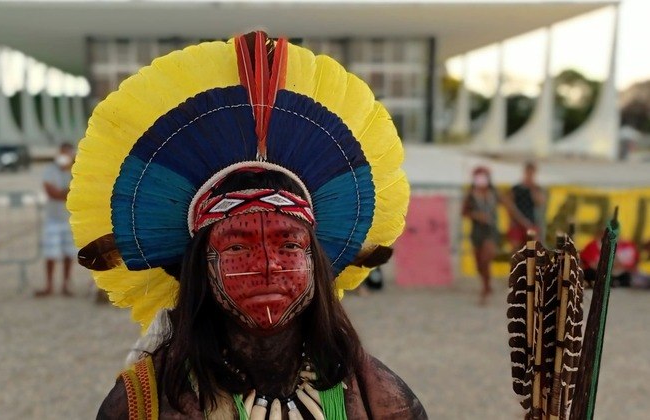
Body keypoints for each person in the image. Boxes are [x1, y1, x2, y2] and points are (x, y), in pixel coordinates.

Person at [69, 32, 427, 418]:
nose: (268, 266)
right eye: (237, 247)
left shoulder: (379, 398)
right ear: (201, 265)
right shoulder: (144, 404)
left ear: (316, 262)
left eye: (288, 245)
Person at [462, 166, 532, 305]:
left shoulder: (495, 193)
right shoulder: (471, 194)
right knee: (479, 264)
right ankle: (486, 285)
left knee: (486, 258)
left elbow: (510, 208)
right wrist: (476, 215)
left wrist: (524, 222)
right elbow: (464, 212)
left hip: (491, 231)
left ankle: (486, 288)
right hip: (477, 232)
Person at [35, 142, 76, 297]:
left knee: (68, 254)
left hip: (69, 219)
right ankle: (49, 285)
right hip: (52, 218)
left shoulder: (75, 171)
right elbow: (52, 193)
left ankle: (65, 284)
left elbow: (66, 193)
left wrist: (64, 193)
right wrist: (68, 191)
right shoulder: (50, 170)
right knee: (50, 254)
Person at [507, 161, 545, 251]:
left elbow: (540, 202)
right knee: (516, 250)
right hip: (517, 223)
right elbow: (510, 206)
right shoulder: (516, 188)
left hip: (531, 222)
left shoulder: (537, 188)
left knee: (533, 250)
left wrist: (532, 188)